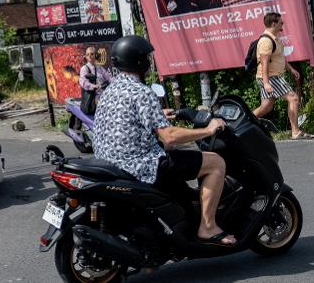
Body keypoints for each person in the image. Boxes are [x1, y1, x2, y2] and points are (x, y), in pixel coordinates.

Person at [93, 35, 236, 246]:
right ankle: (208, 227)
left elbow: (124, 119)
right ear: (139, 61)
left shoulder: (110, 90)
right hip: (140, 165)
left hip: (112, 163)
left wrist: (158, 114)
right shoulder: (141, 92)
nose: (150, 62)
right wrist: (208, 129)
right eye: (147, 58)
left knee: (175, 161)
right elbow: (169, 135)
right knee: (215, 163)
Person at [252, 13, 311, 139]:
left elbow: (280, 58)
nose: (282, 25)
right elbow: (264, 63)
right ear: (273, 24)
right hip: (270, 77)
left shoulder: (275, 39)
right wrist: (266, 82)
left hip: (272, 76)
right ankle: (295, 132)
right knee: (293, 98)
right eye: (281, 23)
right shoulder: (266, 41)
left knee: (266, 106)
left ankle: (243, 123)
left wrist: (290, 69)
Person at [78, 46, 113, 115]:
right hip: (92, 97)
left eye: (92, 54)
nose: (90, 56)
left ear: (96, 55)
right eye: (87, 54)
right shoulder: (84, 69)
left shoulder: (99, 68)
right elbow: (83, 82)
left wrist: (117, 82)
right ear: (85, 57)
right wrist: (93, 86)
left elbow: (108, 77)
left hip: (103, 96)